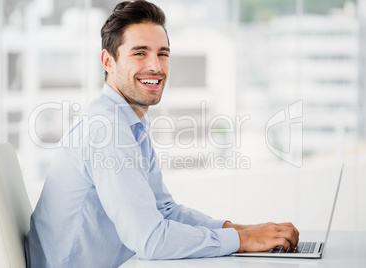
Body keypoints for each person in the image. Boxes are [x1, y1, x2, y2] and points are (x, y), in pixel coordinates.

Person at [25, 1, 299, 267]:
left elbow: (164, 211)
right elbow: (151, 240)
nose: (155, 66)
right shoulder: (106, 130)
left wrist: (241, 230)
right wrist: (242, 239)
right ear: (108, 61)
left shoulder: (130, 124)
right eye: (139, 53)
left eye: (163, 53)